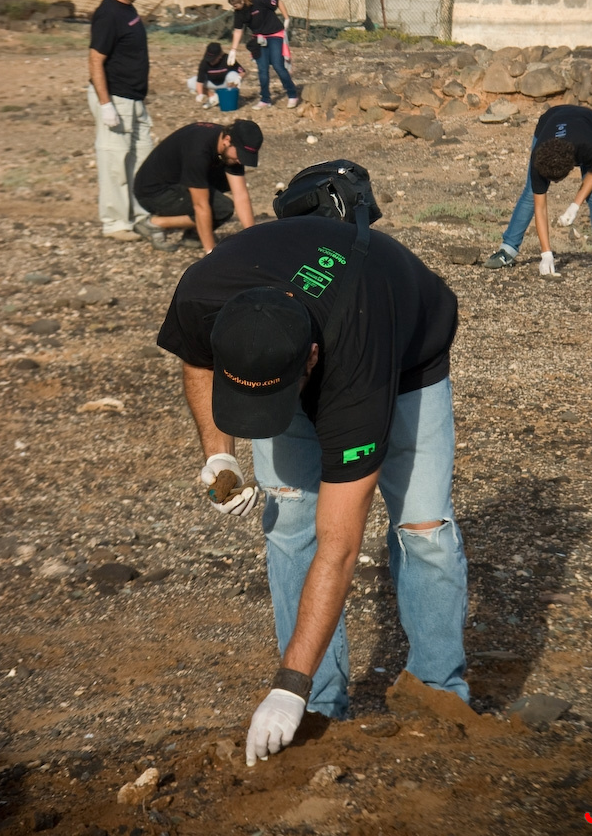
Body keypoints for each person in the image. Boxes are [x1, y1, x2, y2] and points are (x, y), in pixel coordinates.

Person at [156, 161, 469, 766]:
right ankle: (321, 706)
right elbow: (196, 359)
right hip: (312, 333)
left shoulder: (355, 371)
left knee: (422, 528)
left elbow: (342, 544)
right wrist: (217, 454)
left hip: (404, 353)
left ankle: (438, 697)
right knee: (288, 521)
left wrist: (285, 683)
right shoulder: (202, 295)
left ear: (310, 361)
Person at [484, 105, 592, 279]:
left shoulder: (589, 146)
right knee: (530, 193)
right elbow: (540, 206)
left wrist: (575, 205)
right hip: (550, 120)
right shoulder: (538, 158)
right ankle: (507, 250)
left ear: (571, 166)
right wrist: (546, 254)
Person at [88, 0, 153, 242]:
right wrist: (106, 105)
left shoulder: (128, 9)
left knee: (141, 160)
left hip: (134, 99)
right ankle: (115, 223)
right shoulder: (108, 14)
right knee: (114, 162)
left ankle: (141, 216)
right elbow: (95, 60)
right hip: (115, 98)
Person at [133, 119, 263, 252]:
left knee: (224, 184)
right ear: (227, 140)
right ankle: (154, 223)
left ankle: (194, 236)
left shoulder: (230, 144)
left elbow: (241, 195)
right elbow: (200, 206)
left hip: (180, 179)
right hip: (153, 192)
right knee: (222, 208)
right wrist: (211, 253)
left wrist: (252, 239)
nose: (240, 160)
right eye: (240, 154)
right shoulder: (198, 150)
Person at [227, 0, 299, 110]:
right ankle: (265, 99)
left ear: (242, 1)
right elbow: (238, 30)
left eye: (235, 5)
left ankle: (292, 94)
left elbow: (278, 2)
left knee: (278, 65)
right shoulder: (238, 12)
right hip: (259, 39)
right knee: (262, 69)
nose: (234, 7)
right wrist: (233, 49)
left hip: (275, 34)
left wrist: (286, 18)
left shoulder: (258, 0)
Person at [187, 41, 245, 108]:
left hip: (226, 84)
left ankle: (230, 97)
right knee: (191, 82)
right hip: (212, 83)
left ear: (220, 56)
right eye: (209, 59)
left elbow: (243, 72)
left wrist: (239, 78)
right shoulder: (204, 63)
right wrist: (200, 94)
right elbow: (200, 82)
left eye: (213, 59)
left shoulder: (227, 59)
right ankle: (213, 97)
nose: (211, 62)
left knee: (233, 75)